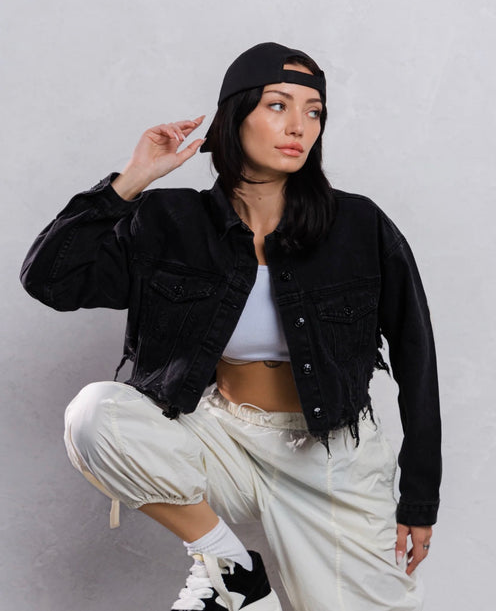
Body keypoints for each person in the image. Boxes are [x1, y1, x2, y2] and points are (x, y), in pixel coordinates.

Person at [20, 42, 441, 611]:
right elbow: (50, 280)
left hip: (330, 458)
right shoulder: (170, 220)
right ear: (235, 115)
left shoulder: (359, 225)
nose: (298, 126)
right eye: (277, 105)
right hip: (221, 440)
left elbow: (417, 358)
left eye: (314, 111)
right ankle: (231, 568)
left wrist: (419, 498)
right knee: (95, 414)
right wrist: (131, 180)